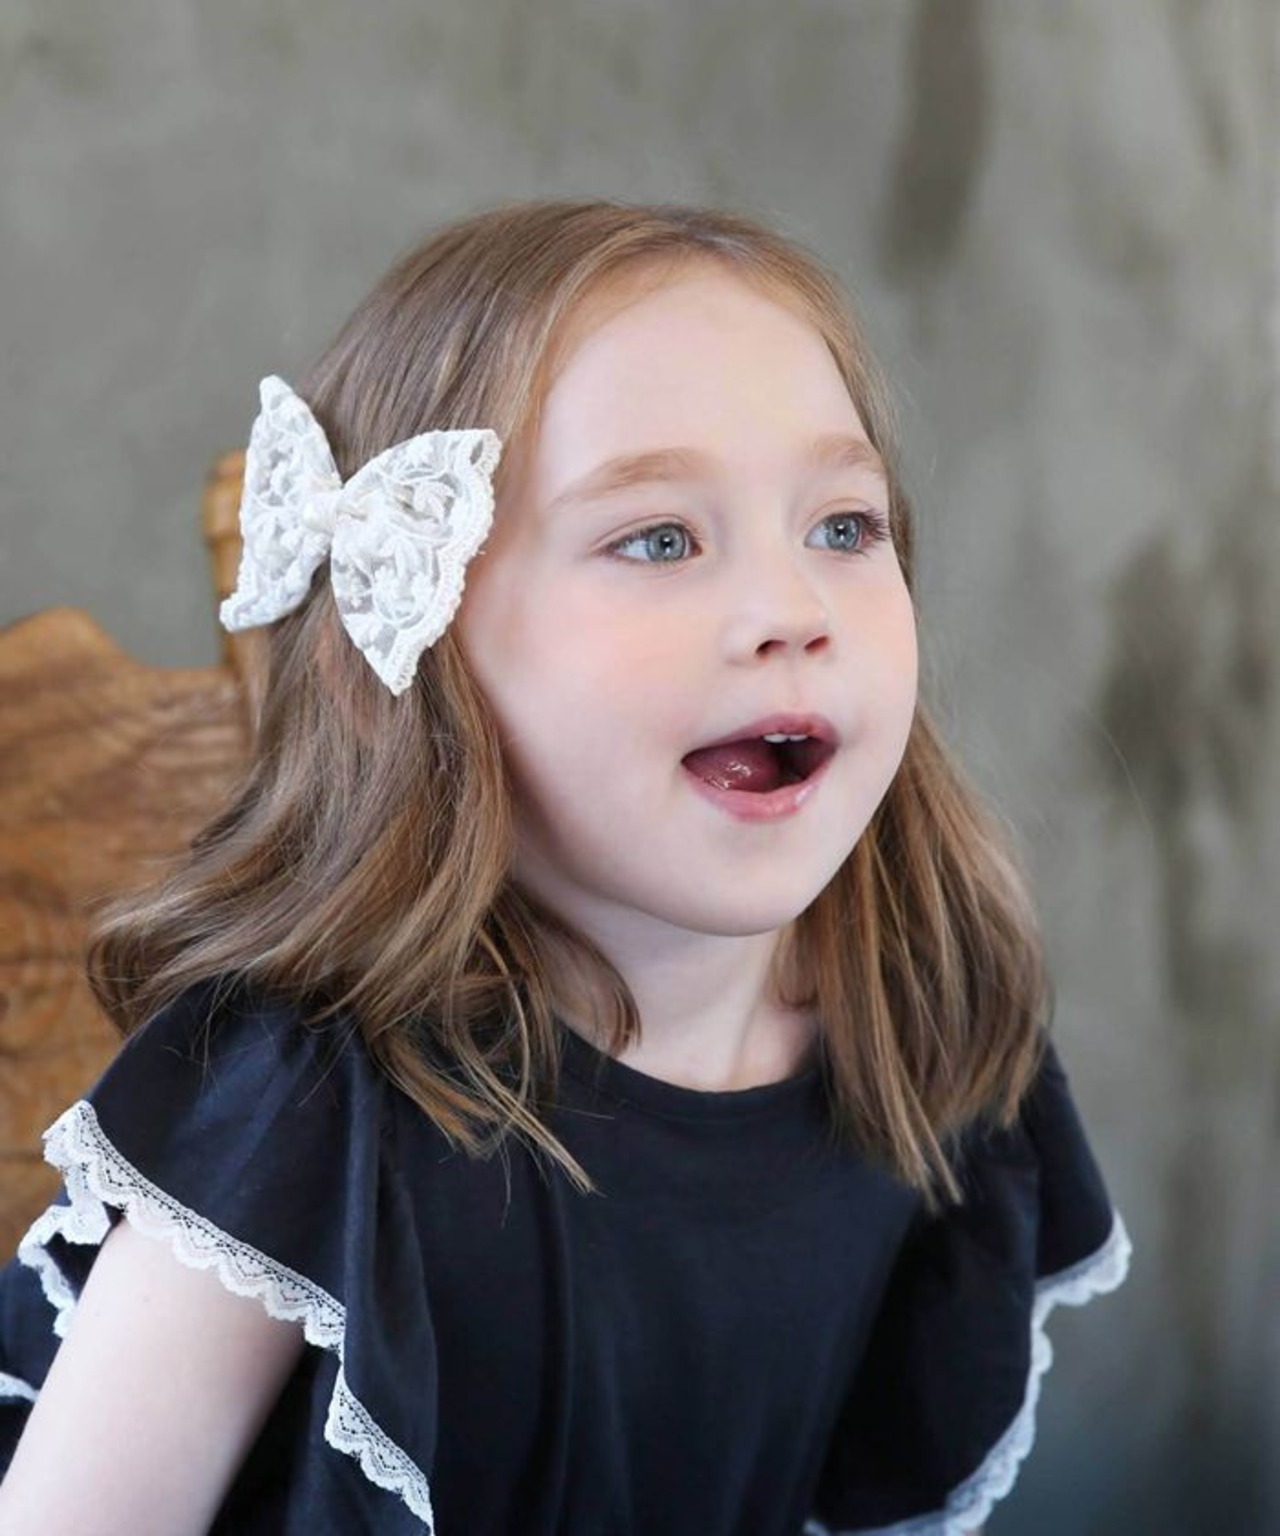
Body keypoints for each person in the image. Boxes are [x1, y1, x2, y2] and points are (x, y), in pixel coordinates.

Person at [0, 199, 1132, 1536]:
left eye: (843, 526)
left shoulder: (931, 1029)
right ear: (412, 644)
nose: (792, 612)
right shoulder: (303, 1107)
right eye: (659, 539)